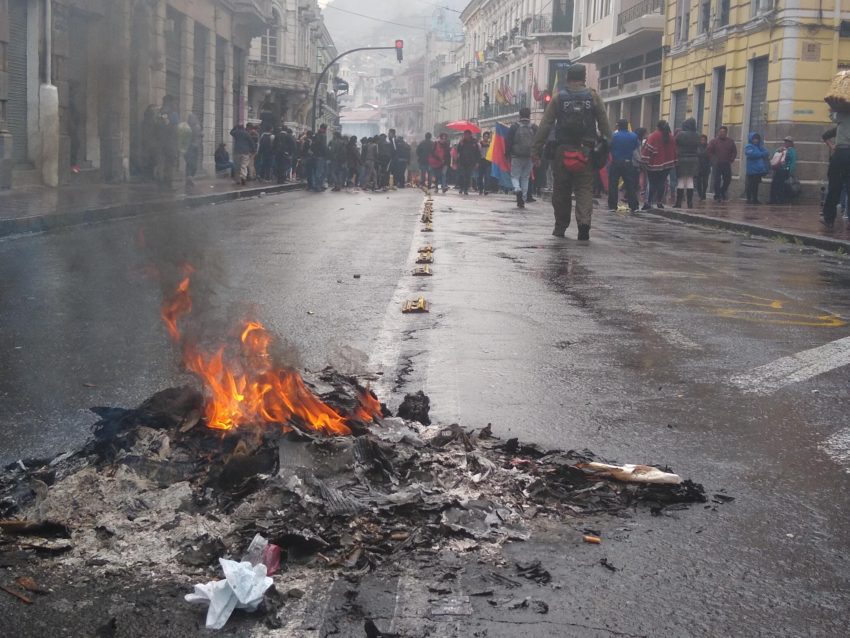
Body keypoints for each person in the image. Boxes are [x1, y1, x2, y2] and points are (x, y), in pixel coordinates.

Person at [532, 63, 611, 241]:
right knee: (584, 189)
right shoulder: (593, 97)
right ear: (584, 78)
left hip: (562, 151)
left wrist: (536, 150)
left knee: (561, 189)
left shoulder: (558, 98)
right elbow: (604, 123)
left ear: (568, 78)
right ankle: (584, 225)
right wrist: (608, 144)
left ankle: (560, 227)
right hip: (586, 151)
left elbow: (545, 125)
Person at [822, 111, 850, 230]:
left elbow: (831, 114)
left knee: (834, 187)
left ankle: (828, 219)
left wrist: (832, 146)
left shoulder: (842, 116)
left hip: (840, 154)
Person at [641, 121, 677, 209]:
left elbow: (647, 149)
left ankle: (648, 202)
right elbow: (674, 151)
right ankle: (659, 202)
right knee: (661, 183)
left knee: (652, 183)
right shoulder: (671, 137)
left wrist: (644, 161)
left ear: (657, 127)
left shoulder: (654, 135)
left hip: (654, 164)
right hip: (667, 165)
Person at [507, 107, 538, 208]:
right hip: (529, 156)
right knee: (526, 177)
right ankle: (523, 199)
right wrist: (538, 156)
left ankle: (517, 189)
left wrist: (507, 154)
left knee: (514, 176)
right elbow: (538, 142)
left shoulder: (514, 127)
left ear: (520, 115)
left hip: (516, 155)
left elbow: (508, 142)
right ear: (529, 115)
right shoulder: (534, 127)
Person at [607, 118, 640, 212]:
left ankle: (612, 206)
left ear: (618, 126)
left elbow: (609, 147)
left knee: (613, 184)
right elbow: (636, 149)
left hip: (616, 162)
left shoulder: (613, 136)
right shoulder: (634, 136)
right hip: (628, 162)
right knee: (630, 185)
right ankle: (634, 206)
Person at [674, 118, 700, 208]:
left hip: (682, 159)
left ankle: (678, 203)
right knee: (690, 180)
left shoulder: (681, 134)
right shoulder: (697, 135)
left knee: (681, 180)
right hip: (693, 159)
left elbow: (675, 142)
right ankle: (690, 203)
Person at [156, 95, 180, 190]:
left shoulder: (160, 113)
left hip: (160, 142)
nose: (175, 104)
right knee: (170, 164)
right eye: (174, 102)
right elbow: (175, 129)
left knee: (161, 163)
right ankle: (168, 184)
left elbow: (157, 127)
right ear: (170, 102)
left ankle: (160, 183)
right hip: (170, 143)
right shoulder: (173, 114)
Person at [707, 126, 737, 201]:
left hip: (726, 163)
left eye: (724, 132)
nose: (722, 133)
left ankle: (722, 191)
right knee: (717, 180)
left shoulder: (730, 141)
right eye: (721, 132)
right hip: (717, 164)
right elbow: (709, 151)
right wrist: (714, 160)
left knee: (727, 179)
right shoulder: (713, 141)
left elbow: (734, 151)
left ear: (726, 133)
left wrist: (731, 159)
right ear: (719, 132)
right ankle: (717, 195)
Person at [768, 136, 798, 205]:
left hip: (785, 170)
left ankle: (780, 200)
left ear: (791, 143)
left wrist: (790, 172)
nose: (786, 143)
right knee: (774, 185)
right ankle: (773, 199)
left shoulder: (792, 151)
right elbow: (774, 155)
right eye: (785, 141)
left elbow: (793, 162)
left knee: (781, 186)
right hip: (778, 169)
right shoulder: (781, 149)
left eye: (788, 142)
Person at [744, 132, 770, 204]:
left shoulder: (760, 147)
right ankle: (749, 198)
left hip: (758, 170)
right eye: (754, 139)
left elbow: (766, 152)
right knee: (751, 184)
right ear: (751, 139)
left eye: (757, 139)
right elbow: (752, 154)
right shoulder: (748, 146)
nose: (756, 140)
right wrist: (762, 154)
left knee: (756, 185)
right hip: (752, 170)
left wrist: (763, 153)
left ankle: (755, 198)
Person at [455, 130, 481, 195]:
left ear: (470, 135)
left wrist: (477, 162)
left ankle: (466, 189)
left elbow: (478, 153)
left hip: (471, 162)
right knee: (462, 175)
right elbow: (458, 151)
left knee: (468, 176)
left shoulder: (474, 142)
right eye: (465, 134)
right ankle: (461, 188)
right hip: (462, 161)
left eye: (467, 134)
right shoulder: (462, 142)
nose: (466, 136)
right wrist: (460, 145)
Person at [184, 112, 203, 188]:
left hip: (188, 147)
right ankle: (189, 178)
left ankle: (188, 178)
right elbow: (199, 135)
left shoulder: (187, 127)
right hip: (193, 147)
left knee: (189, 163)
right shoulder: (196, 126)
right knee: (193, 164)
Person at [312, 124, 328, 191]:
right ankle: (318, 186)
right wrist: (326, 155)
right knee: (320, 172)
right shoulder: (323, 135)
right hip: (321, 156)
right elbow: (323, 147)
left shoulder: (316, 135)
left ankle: (316, 185)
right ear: (324, 129)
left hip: (315, 156)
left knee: (316, 171)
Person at [696, 134, 711, 201]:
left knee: (705, 182)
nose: (703, 141)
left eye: (704, 140)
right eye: (701, 140)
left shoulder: (709, 147)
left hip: (706, 167)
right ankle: (700, 194)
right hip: (698, 167)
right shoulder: (697, 147)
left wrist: (710, 164)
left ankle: (703, 193)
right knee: (698, 182)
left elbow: (711, 156)